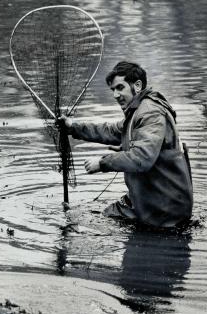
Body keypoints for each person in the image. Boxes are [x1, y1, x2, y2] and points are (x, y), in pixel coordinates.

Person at [61, 61, 193, 228]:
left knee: (93, 222)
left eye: (120, 87)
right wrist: (73, 127)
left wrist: (102, 163)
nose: (115, 95)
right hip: (156, 197)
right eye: (113, 90)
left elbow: (142, 158)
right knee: (105, 216)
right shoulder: (139, 110)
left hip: (166, 208)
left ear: (137, 85)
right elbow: (111, 131)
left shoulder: (150, 111)